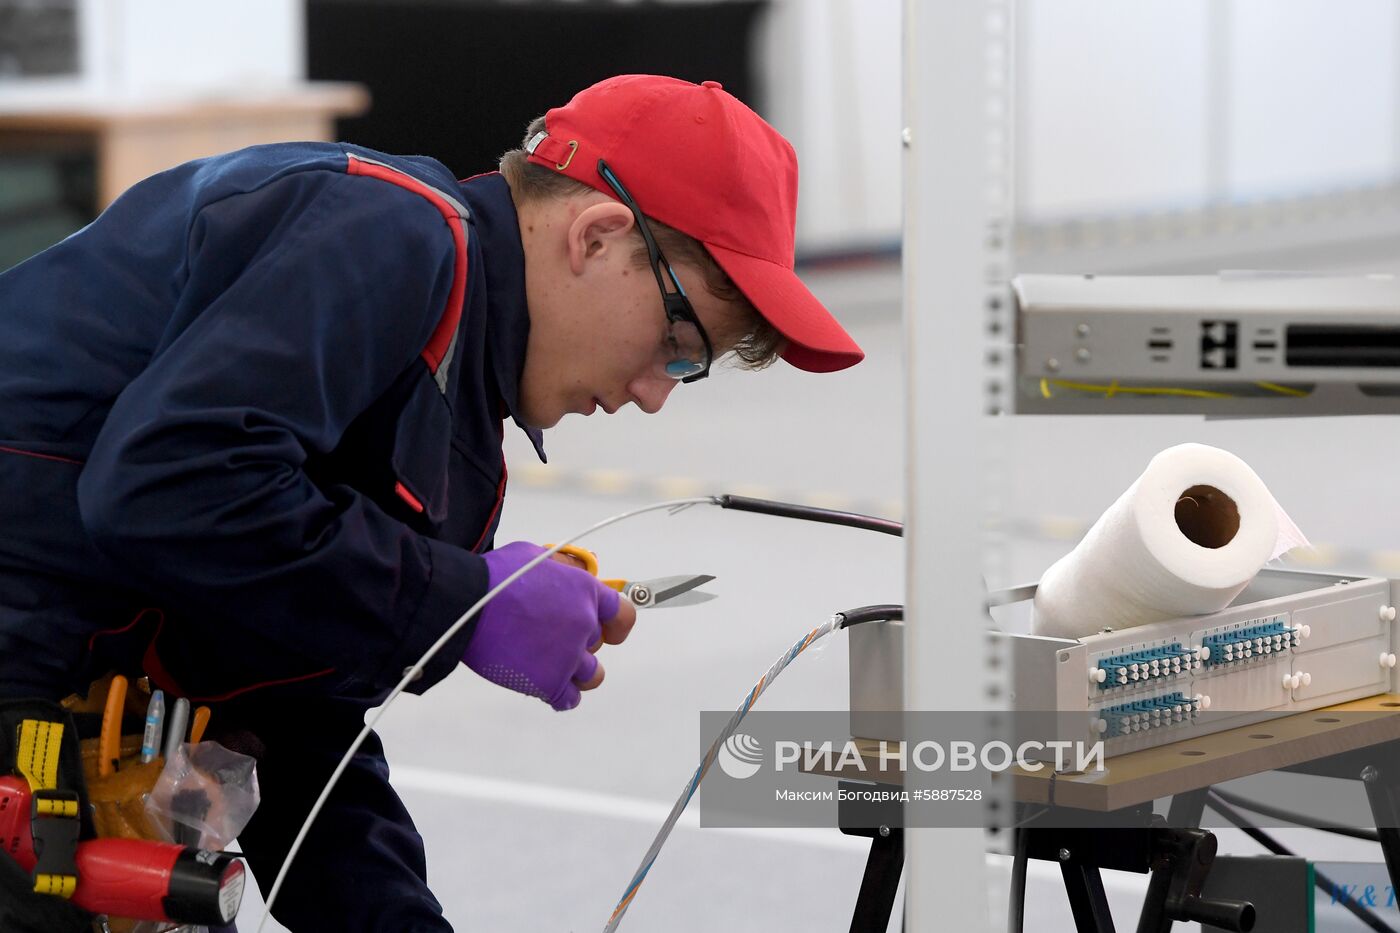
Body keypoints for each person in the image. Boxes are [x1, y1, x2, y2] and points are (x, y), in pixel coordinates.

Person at [0, 74, 863, 931]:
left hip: (79, 697)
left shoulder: (457, 431)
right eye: (677, 345)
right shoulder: (388, 233)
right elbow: (165, 486)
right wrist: (460, 600)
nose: (655, 394)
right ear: (597, 236)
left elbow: (291, 707)